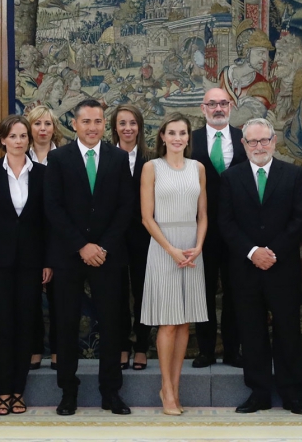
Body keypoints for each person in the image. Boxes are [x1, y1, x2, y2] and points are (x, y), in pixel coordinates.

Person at [44, 99, 134, 416]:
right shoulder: (58, 159)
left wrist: (103, 246)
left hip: (108, 256)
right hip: (69, 256)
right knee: (67, 325)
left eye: (98, 121)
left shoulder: (118, 158)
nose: (93, 127)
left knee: (112, 326)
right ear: (75, 124)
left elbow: (126, 207)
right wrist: (81, 245)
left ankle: (111, 392)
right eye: (87, 122)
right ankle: (68, 393)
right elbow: (52, 207)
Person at [220, 118, 302, 415]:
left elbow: (299, 220)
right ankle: (258, 393)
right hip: (246, 268)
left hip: (282, 266)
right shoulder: (231, 178)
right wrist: (252, 251)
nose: (259, 146)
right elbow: (226, 222)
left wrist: (272, 252)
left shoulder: (293, 174)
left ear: (274, 141)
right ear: (243, 145)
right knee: (252, 331)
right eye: (252, 142)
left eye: (264, 140)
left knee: (288, 330)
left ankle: (292, 394)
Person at [0, 115, 49, 415]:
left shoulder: (44, 174)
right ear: (2, 140)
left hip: (32, 264)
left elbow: (49, 223)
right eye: (13, 136)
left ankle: (19, 391)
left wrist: (48, 262)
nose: (19, 141)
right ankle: (3, 391)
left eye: (23, 136)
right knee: (2, 327)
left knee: (24, 327)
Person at [140, 113, 209, 415]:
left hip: (193, 249)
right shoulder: (151, 168)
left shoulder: (198, 168)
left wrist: (198, 247)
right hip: (163, 246)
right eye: (172, 132)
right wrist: (171, 250)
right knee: (168, 322)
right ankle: (165, 388)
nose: (178, 138)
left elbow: (203, 214)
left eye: (183, 133)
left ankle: (175, 386)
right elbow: (146, 217)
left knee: (184, 323)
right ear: (162, 137)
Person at [189, 88, 246, 368]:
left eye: (223, 103)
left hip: (238, 229)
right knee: (204, 290)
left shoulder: (245, 139)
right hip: (202, 229)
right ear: (203, 109)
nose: (218, 108)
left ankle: (233, 351)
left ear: (231, 106)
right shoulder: (191, 140)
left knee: (236, 290)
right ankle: (206, 350)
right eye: (212, 104)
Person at [111, 105, 153, 371]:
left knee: (142, 293)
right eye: (122, 123)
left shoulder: (152, 159)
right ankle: (122, 345)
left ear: (140, 127)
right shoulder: (103, 156)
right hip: (113, 237)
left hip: (144, 235)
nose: (128, 128)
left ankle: (141, 347)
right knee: (116, 295)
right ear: (114, 127)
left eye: (133, 123)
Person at [26, 105, 63, 370]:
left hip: (59, 240)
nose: (42, 129)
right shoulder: (19, 156)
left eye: (47, 124)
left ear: (55, 128)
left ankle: (58, 352)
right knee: (29, 301)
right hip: (28, 239)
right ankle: (34, 349)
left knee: (60, 301)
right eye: (37, 124)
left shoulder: (64, 158)